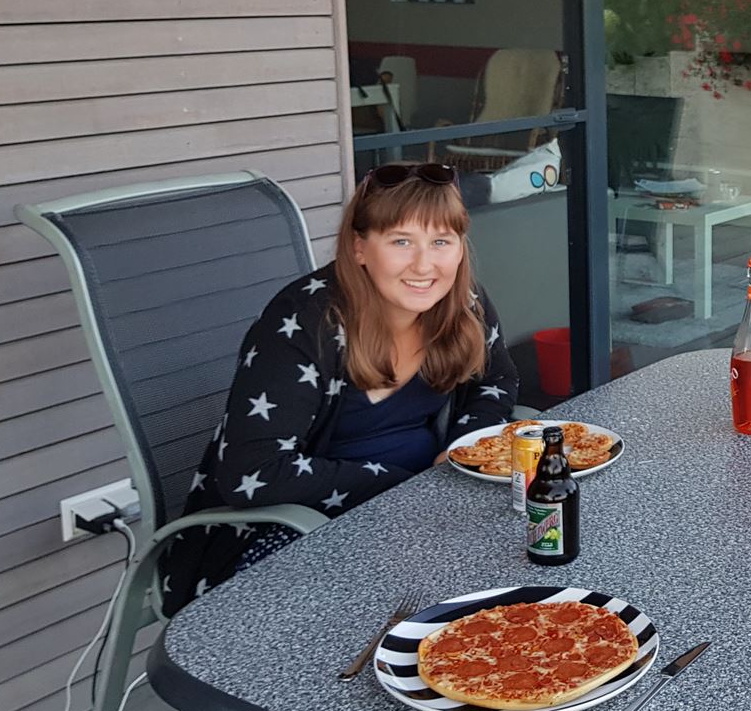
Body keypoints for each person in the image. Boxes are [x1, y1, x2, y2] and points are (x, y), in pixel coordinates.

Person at [160, 163, 517, 613]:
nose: (424, 265)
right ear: (359, 247)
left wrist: (462, 449)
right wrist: (404, 487)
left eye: (441, 241)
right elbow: (254, 472)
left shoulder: (463, 303)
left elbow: (496, 381)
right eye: (401, 241)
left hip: (427, 515)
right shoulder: (305, 323)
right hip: (296, 529)